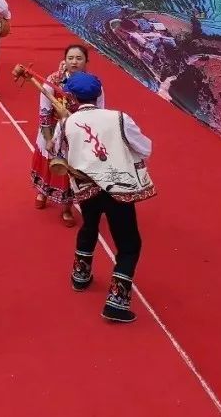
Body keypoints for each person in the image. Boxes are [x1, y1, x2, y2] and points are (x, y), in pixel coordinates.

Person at [54, 72, 154, 324]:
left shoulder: (66, 123)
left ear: (72, 97)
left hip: (86, 186)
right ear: (99, 95)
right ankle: (116, 301)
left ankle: (80, 275)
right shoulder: (119, 118)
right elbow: (145, 148)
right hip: (118, 187)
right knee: (129, 243)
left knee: (89, 225)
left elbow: (55, 154)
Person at [32, 45, 105, 226]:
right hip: (53, 131)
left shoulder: (94, 85)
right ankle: (43, 192)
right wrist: (49, 139)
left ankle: (67, 208)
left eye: (79, 58)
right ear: (65, 60)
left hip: (78, 134)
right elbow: (44, 112)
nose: (74, 62)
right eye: (70, 58)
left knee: (71, 170)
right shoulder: (52, 81)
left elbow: (100, 112)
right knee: (50, 164)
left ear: (86, 62)